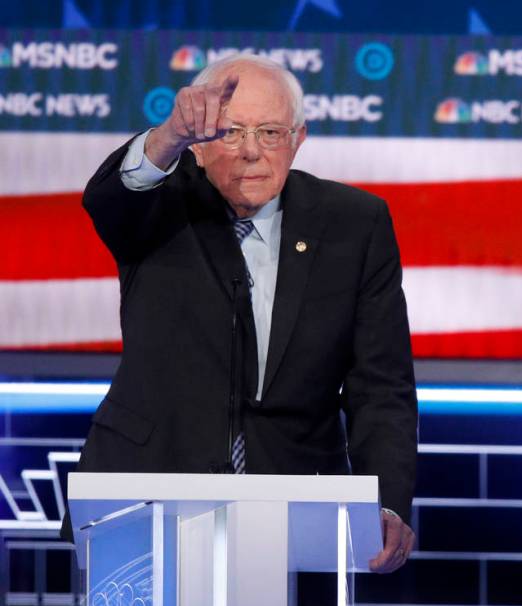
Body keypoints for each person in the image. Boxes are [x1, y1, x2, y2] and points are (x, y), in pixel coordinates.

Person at [71, 53, 418, 575]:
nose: (251, 152)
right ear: (200, 144)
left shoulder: (355, 224)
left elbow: (381, 385)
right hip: (147, 496)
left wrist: (385, 501)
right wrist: (168, 135)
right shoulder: (160, 205)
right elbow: (109, 199)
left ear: (298, 139)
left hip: (300, 507)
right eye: (230, 133)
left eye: (271, 133)